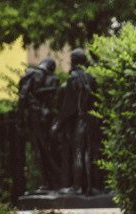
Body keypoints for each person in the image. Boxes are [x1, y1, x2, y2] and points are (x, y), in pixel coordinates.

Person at [52, 48, 101, 195]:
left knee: (78, 153)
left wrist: (57, 124)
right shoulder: (91, 77)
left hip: (80, 120)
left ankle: (77, 187)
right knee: (91, 153)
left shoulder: (73, 77)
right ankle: (92, 186)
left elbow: (68, 106)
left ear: (74, 60)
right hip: (92, 120)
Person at [17, 58, 60, 191]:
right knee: (47, 148)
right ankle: (53, 181)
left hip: (36, 116)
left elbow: (23, 96)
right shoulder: (52, 78)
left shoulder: (33, 75)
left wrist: (20, 118)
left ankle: (48, 182)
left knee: (41, 149)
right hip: (47, 115)